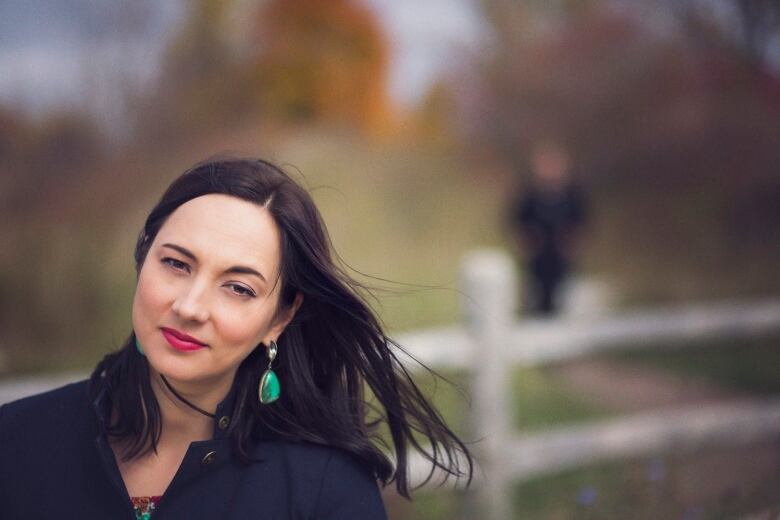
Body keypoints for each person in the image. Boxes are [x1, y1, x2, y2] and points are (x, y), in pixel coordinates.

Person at [0, 157, 472, 519]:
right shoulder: (17, 439)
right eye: (176, 264)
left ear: (280, 318)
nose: (189, 306)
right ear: (143, 258)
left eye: (238, 288)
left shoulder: (325, 491)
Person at [509, 141, 588, 316]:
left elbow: (582, 222)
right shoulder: (529, 195)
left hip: (562, 258)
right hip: (537, 258)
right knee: (537, 297)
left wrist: (572, 242)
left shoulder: (572, 195)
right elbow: (516, 221)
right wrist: (527, 241)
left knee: (564, 295)